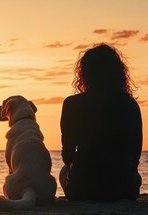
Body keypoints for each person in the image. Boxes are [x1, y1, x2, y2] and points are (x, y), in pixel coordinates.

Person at [59, 43, 142, 201]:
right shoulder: (130, 104)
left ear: (84, 73)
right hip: (124, 191)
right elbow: (135, 153)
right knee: (134, 176)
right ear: (118, 72)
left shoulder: (72, 104)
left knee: (64, 171)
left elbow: (67, 156)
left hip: (82, 190)